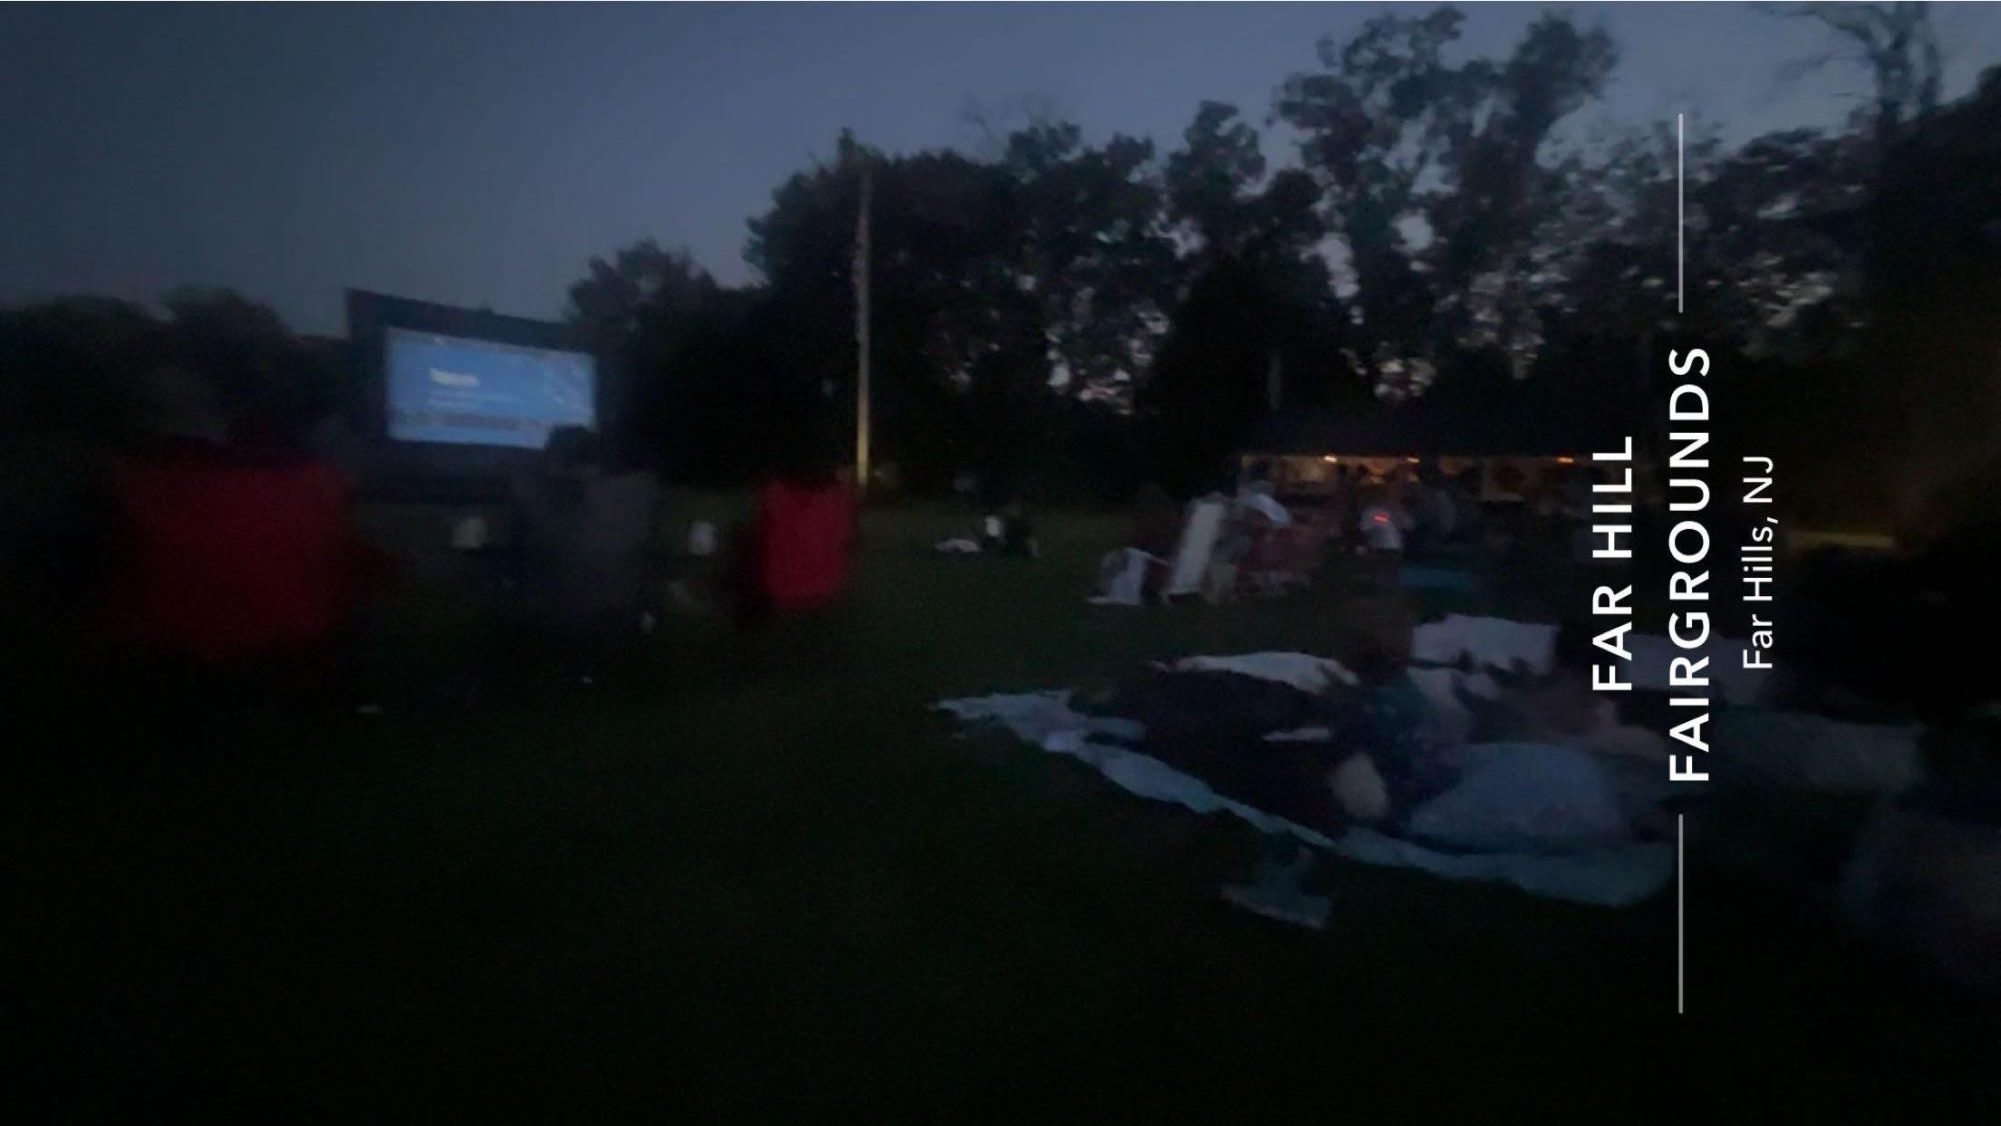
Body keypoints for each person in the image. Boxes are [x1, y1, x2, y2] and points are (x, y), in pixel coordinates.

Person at [103, 365, 396, 710]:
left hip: (166, 679)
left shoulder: (135, 483)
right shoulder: (320, 483)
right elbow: (370, 573)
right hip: (293, 671)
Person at [506, 426, 665, 682]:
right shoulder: (637, 492)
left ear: (556, 459)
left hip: (554, 622)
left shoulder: (535, 495)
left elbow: (519, 474)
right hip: (620, 618)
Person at [735, 430, 857, 627]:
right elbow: (844, 540)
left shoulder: (775, 493)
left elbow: (761, 537)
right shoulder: (838, 498)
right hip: (826, 588)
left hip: (783, 591)